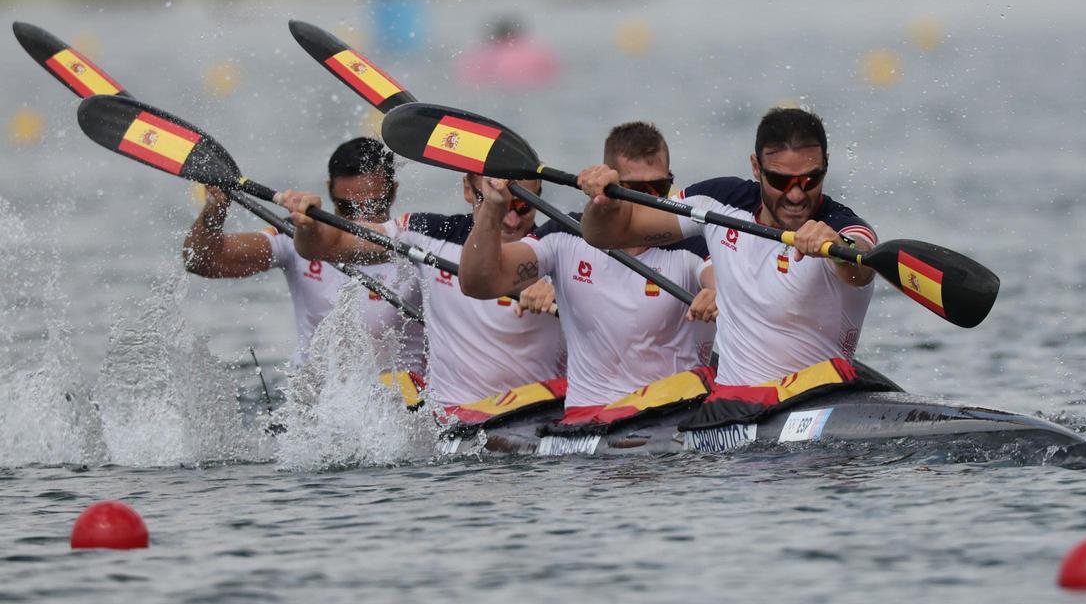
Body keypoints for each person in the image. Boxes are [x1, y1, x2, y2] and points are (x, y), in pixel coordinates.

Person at [580, 107, 877, 389]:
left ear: (826, 165)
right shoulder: (719, 202)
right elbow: (606, 235)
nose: (796, 195)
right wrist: (603, 204)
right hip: (736, 406)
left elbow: (861, 266)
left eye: (811, 179)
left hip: (814, 396)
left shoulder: (843, 226)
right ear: (755, 167)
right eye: (780, 181)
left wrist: (838, 247)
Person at [457, 122, 717, 419]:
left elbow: (719, 280)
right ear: (606, 187)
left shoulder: (692, 243)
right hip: (588, 421)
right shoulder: (564, 236)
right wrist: (492, 206)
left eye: (658, 188)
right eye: (634, 190)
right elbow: (479, 283)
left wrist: (719, 293)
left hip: (672, 414)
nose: (650, 200)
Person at [275, 173, 565, 409]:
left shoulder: (560, 248)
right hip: (453, 419)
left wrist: (564, 293)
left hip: (540, 410)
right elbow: (331, 244)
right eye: (496, 204)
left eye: (523, 207)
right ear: (468, 188)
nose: (510, 220)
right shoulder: (426, 232)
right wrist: (311, 227)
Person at [183, 137, 425, 376]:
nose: (360, 222)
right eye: (348, 208)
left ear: (393, 192)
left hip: (405, 396)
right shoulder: (296, 235)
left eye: (374, 206)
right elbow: (202, 260)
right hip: (317, 396)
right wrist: (215, 210)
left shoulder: (419, 246)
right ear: (330, 189)